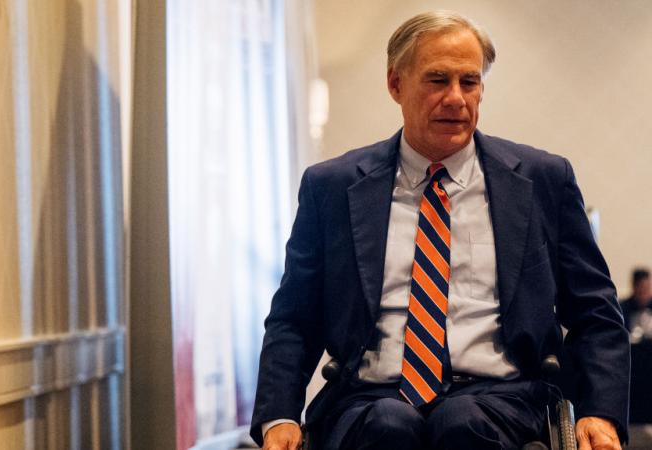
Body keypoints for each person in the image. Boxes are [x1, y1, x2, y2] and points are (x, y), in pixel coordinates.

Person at [251, 10, 629, 450]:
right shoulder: (332, 187)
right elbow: (294, 319)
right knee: (389, 425)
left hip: (503, 398)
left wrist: (599, 412)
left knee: (462, 422)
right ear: (396, 84)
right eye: (437, 80)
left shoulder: (544, 180)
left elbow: (595, 313)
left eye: (469, 82)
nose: (456, 98)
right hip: (370, 397)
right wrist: (278, 416)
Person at [620, 268, 652, 337]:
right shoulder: (623, 309)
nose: (645, 295)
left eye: (647, 289)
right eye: (642, 291)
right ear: (634, 287)